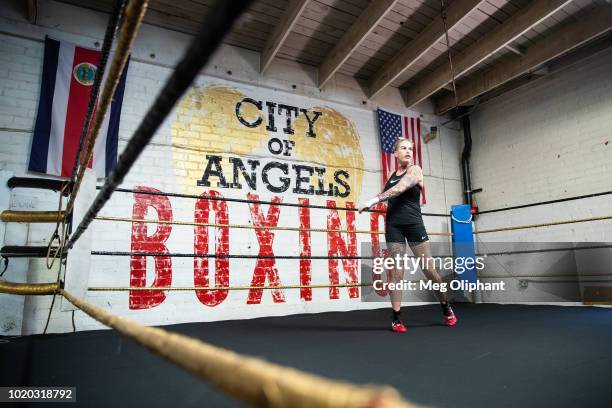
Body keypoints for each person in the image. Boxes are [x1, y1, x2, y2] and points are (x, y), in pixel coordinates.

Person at [359, 137, 457, 333]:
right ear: (395, 154)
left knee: (429, 270)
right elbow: (390, 191)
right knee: (396, 273)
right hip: (394, 226)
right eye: (403, 148)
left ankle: (446, 306)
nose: (408, 151)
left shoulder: (416, 170)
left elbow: (400, 188)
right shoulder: (391, 174)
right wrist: (378, 199)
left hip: (414, 226)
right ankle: (396, 318)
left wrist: (371, 201)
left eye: (411, 149)